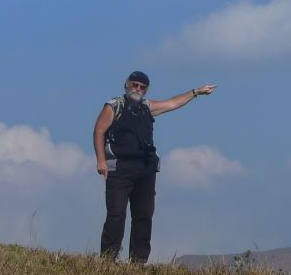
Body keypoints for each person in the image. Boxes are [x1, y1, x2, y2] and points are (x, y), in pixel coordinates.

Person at [93, 71, 217, 263]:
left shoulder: (147, 107)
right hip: (119, 168)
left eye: (142, 87)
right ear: (126, 85)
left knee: (143, 215)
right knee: (116, 213)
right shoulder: (114, 106)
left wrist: (195, 92)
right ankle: (108, 259)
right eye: (135, 85)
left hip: (145, 168)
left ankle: (138, 261)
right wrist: (101, 161)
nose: (138, 89)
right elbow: (99, 131)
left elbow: (172, 103)